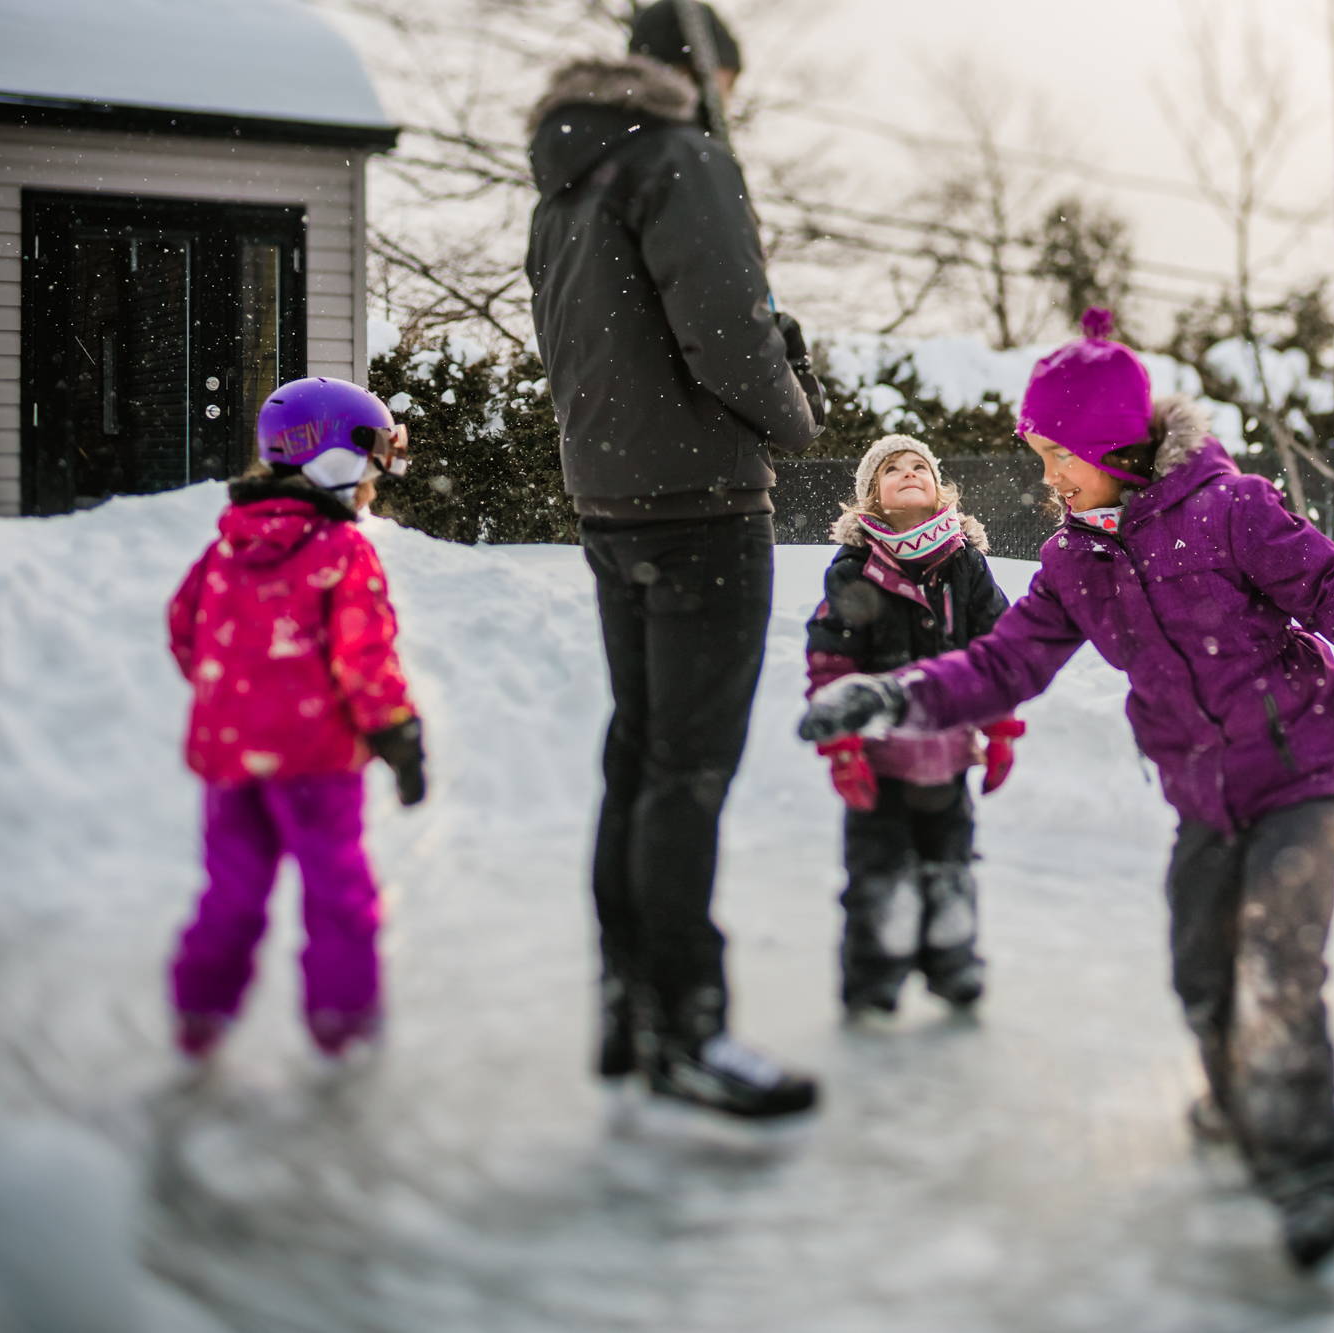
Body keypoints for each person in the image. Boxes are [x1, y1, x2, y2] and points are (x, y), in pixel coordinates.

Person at [798, 310, 1334, 1269]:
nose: (1048, 478)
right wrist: (891, 695)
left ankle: (1306, 1166)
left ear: (1111, 443)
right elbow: (1003, 662)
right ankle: (1235, 1103)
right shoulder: (1076, 559)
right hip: (1204, 793)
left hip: (1303, 774)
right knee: (1200, 968)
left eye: (1057, 455)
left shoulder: (1232, 510)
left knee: (1278, 965)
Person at [525, 0, 826, 1118]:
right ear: (702, 73)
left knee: (641, 756)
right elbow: (729, 334)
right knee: (686, 772)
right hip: (702, 506)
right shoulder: (679, 160)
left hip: (613, 505)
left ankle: (630, 1001)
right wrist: (795, 414)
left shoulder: (567, 183)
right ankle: (687, 1026)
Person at [165, 377, 427, 1063]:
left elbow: (185, 631)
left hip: (230, 761)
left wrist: (237, 700)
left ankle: (199, 1013)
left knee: (232, 890)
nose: (372, 482)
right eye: (369, 464)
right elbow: (365, 659)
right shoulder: (343, 551)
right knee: (337, 890)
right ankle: (343, 1023)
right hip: (315, 763)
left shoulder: (225, 547)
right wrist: (397, 734)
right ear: (334, 458)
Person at [805, 436, 1021, 1019]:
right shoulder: (854, 568)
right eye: (891, 469)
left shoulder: (965, 564)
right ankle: (874, 976)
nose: (908, 473)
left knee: (950, 866)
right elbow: (831, 661)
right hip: (880, 759)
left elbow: (996, 651)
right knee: (882, 873)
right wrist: (843, 746)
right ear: (871, 496)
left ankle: (953, 964)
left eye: (919, 466)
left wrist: (1000, 729)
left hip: (948, 755)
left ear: (938, 486)